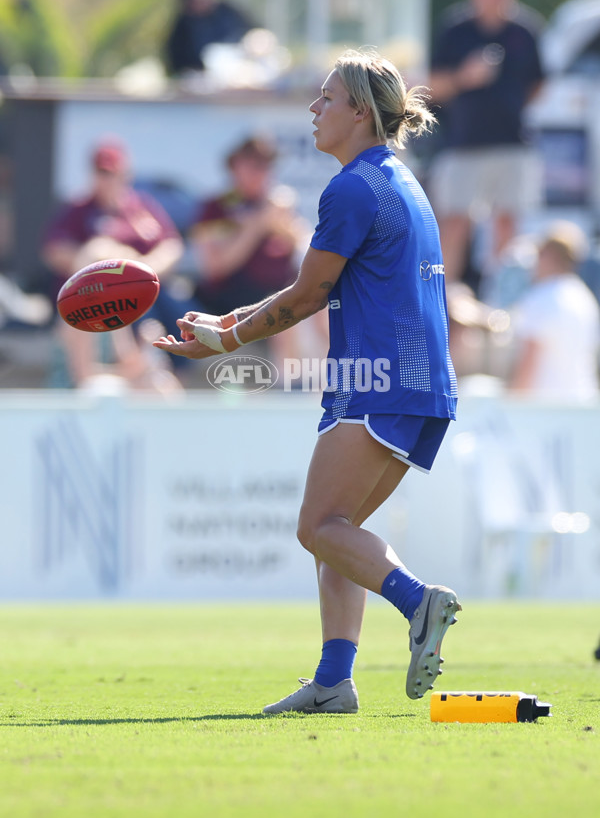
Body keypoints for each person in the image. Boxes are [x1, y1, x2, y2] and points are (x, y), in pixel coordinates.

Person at [153, 49, 461, 713]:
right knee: (339, 529)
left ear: (359, 111)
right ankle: (333, 680)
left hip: (376, 379)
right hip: (416, 381)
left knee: (319, 527)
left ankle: (418, 602)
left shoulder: (351, 186)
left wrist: (226, 340)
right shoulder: (397, 179)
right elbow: (309, 290)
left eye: (326, 98)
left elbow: (307, 297)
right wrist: (226, 320)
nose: (313, 110)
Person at [428, 0, 544, 288]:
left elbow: (539, 83)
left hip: (512, 143)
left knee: (508, 227)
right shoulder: (455, 28)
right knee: (454, 224)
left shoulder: (526, 29)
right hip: (463, 143)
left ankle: (499, 304)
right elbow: (431, 87)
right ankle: (445, 301)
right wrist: (465, 77)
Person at [42, 139, 185, 392]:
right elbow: (87, 379)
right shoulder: (79, 314)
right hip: (74, 402)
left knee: (163, 385)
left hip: (148, 298)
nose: (106, 179)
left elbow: (172, 245)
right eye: (101, 173)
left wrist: (140, 270)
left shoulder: (115, 308)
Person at [188, 136, 316, 365]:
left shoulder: (276, 204)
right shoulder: (216, 207)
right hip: (232, 297)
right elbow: (215, 266)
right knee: (284, 309)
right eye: (253, 165)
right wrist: (255, 227)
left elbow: (306, 248)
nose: (260, 172)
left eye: (266, 165)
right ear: (235, 166)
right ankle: (290, 388)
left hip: (280, 290)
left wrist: (283, 223)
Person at [508, 221, 600, 400]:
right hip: (583, 404)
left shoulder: (539, 298)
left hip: (546, 409)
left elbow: (528, 364)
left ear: (548, 256)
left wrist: (513, 405)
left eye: (539, 254)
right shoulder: (585, 299)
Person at [163, 0, 254, 77]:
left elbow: (257, 35)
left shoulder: (230, 12)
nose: (197, 0)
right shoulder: (180, 32)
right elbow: (177, 69)